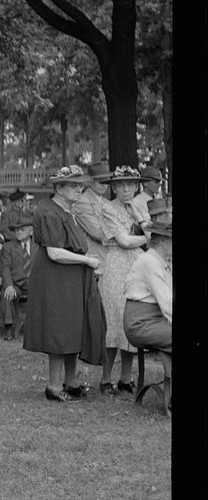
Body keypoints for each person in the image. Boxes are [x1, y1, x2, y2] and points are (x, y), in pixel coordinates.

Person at [22, 165, 105, 402]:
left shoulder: (68, 211)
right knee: (59, 329)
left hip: (70, 276)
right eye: (74, 185)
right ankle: (54, 385)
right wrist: (88, 260)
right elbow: (55, 253)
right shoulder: (49, 212)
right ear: (59, 188)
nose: (80, 189)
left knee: (73, 328)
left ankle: (71, 381)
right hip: (55, 276)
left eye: (81, 185)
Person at [94, 166, 150, 396]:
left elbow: (153, 231)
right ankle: (106, 379)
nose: (126, 188)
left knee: (132, 320)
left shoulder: (141, 206)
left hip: (138, 264)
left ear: (137, 186)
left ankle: (126, 378)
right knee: (114, 320)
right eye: (121, 184)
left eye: (131, 184)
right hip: (117, 264)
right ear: (114, 187)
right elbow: (124, 241)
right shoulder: (108, 208)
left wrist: (142, 221)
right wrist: (147, 235)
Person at [123, 220, 172, 409]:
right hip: (140, 323)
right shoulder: (150, 262)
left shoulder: (161, 261)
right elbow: (167, 303)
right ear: (160, 241)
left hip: (156, 319)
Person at [0, 212, 33, 340]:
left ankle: (45, 327)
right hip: (17, 284)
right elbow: (5, 267)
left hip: (35, 284)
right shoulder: (8, 247)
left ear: (31, 232)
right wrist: (9, 285)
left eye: (21, 229)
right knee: (6, 293)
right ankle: (9, 327)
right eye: (16, 230)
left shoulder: (39, 246)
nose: (18, 232)